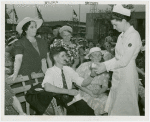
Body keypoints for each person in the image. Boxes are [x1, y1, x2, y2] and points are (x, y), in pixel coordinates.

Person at [93, 5, 142, 115]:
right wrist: (103, 64)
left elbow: (124, 61)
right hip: (118, 74)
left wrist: (105, 66)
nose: (114, 28)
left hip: (127, 75)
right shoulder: (121, 36)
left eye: (115, 24)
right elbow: (117, 58)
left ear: (124, 20)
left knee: (126, 106)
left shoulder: (133, 35)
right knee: (115, 106)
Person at [41, 47, 96, 115]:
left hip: (71, 99)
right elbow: (47, 87)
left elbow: (83, 83)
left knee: (89, 112)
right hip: (58, 101)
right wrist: (68, 91)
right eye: (63, 56)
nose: (66, 58)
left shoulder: (68, 69)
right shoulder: (50, 71)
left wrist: (92, 76)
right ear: (55, 58)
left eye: (66, 55)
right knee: (76, 115)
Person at [10, 17, 52, 82]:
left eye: (35, 27)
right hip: (26, 76)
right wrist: (15, 73)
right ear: (25, 30)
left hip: (42, 75)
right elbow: (18, 58)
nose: (35, 29)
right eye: (32, 27)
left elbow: (48, 58)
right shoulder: (19, 43)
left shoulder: (42, 42)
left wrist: (51, 71)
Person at [76, 47, 110, 115]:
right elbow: (76, 83)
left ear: (101, 57)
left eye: (99, 55)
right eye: (95, 55)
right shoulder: (83, 66)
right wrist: (90, 93)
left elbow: (105, 86)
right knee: (97, 105)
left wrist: (99, 91)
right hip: (85, 92)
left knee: (109, 104)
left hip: (99, 92)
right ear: (90, 57)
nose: (97, 57)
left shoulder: (104, 68)